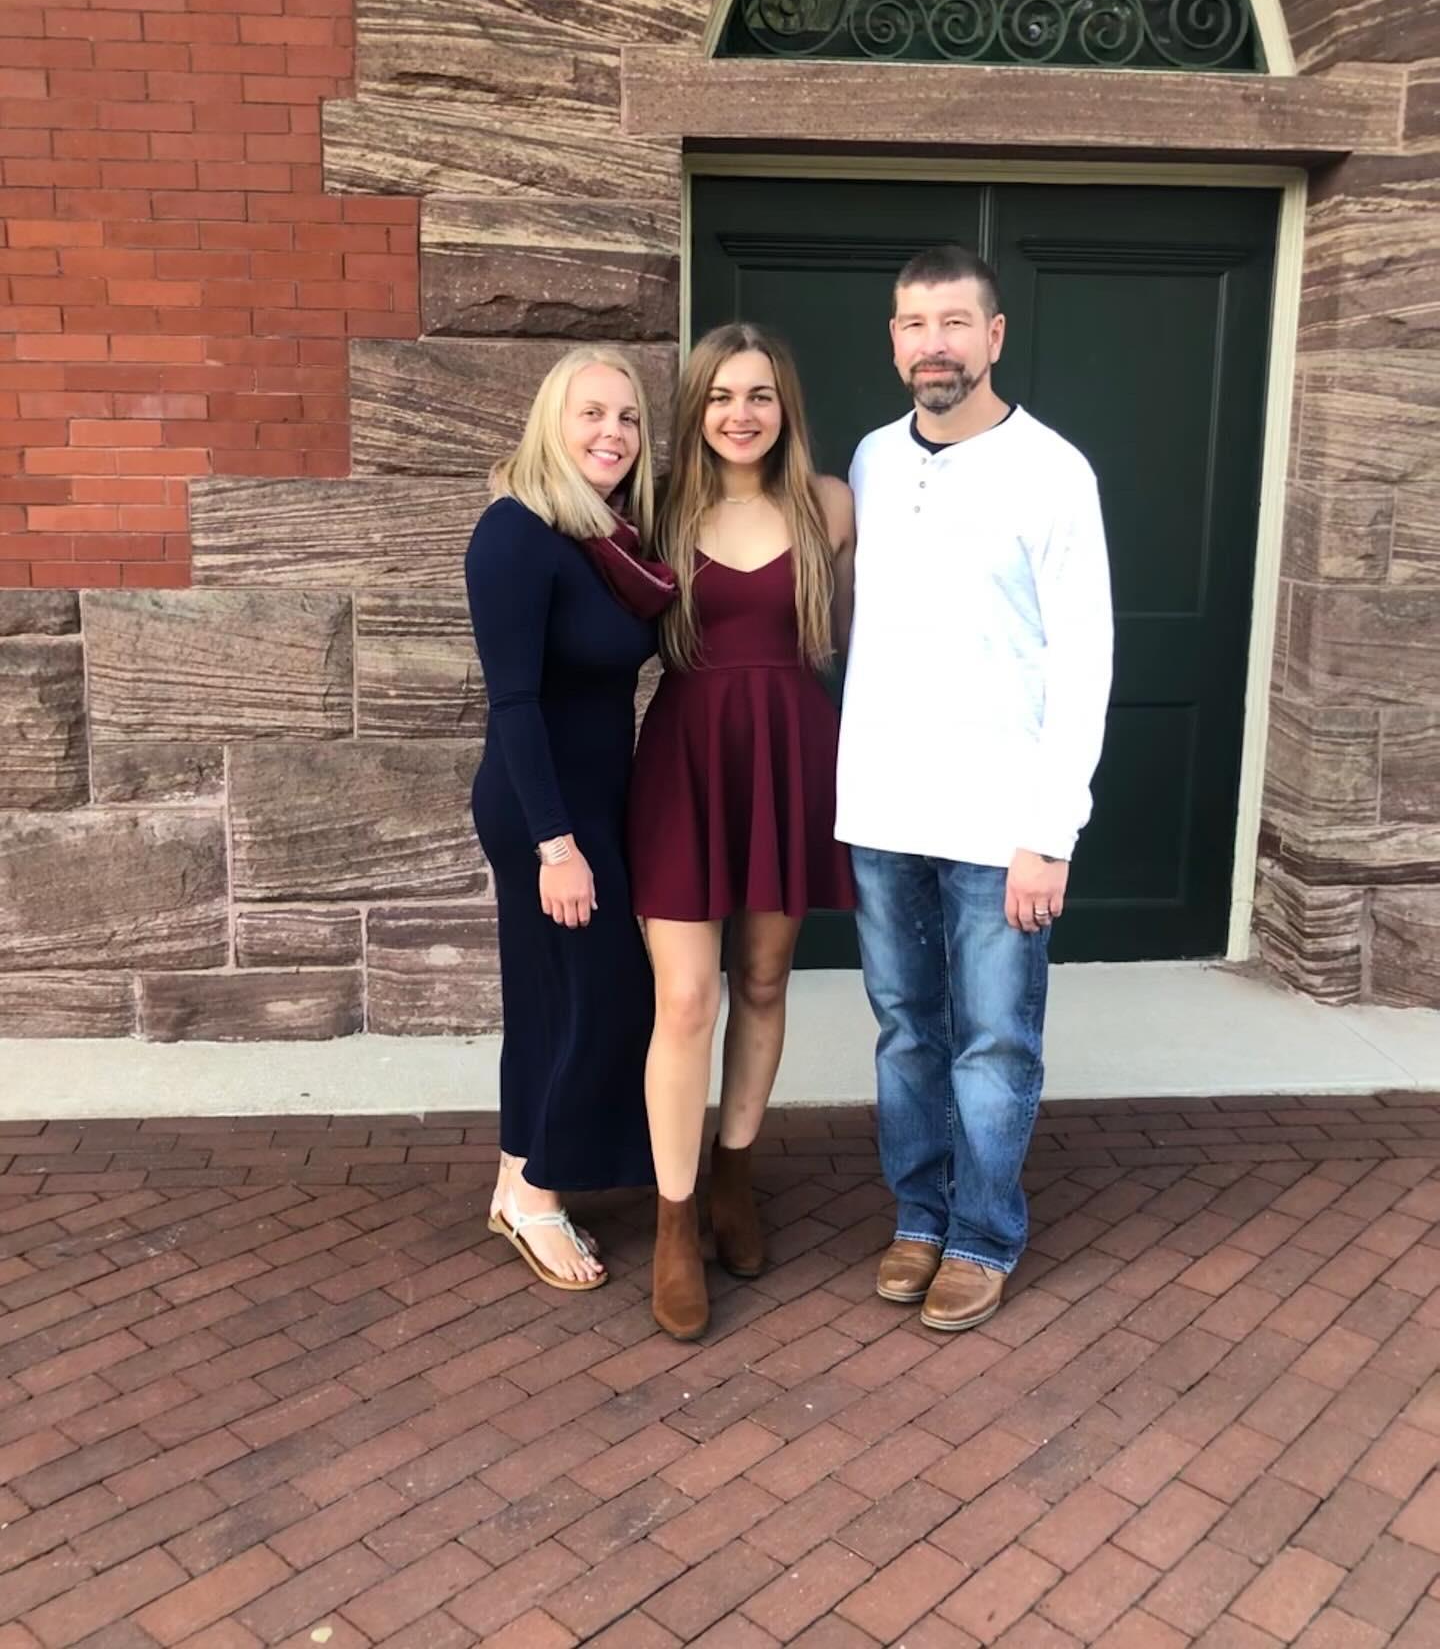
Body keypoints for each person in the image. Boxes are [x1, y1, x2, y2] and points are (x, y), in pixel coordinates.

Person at [836, 246, 1113, 1332]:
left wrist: (1053, 831)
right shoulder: (866, 459)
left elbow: (1086, 658)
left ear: (994, 337)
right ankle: (917, 1216)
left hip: (1002, 823)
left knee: (996, 1037)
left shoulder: (1052, 471)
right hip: (883, 809)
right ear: (895, 340)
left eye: (955, 322)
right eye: (913, 324)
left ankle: (983, 1233)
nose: (933, 344)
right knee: (906, 1029)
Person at [629, 322, 856, 1340]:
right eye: (721, 395)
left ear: (784, 407)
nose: (740, 413)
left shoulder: (829, 506)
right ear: (697, 409)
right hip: (684, 761)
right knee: (684, 1000)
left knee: (762, 981)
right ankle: (676, 1223)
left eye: (759, 394)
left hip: (791, 757)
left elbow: (865, 636)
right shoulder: (655, 507)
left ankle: (735, 1174)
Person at [465, 345, 675, 1292]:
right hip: (541, 813)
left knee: (555, 997)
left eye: (627, 417)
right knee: (595, 997)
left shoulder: (610, 537)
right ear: (553, 420)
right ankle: (540, 1195)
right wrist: (558, 848)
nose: (612, 433)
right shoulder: (515, 533)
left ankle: (520, 1180)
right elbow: (514, 704)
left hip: (593, 805)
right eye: (591, 414)